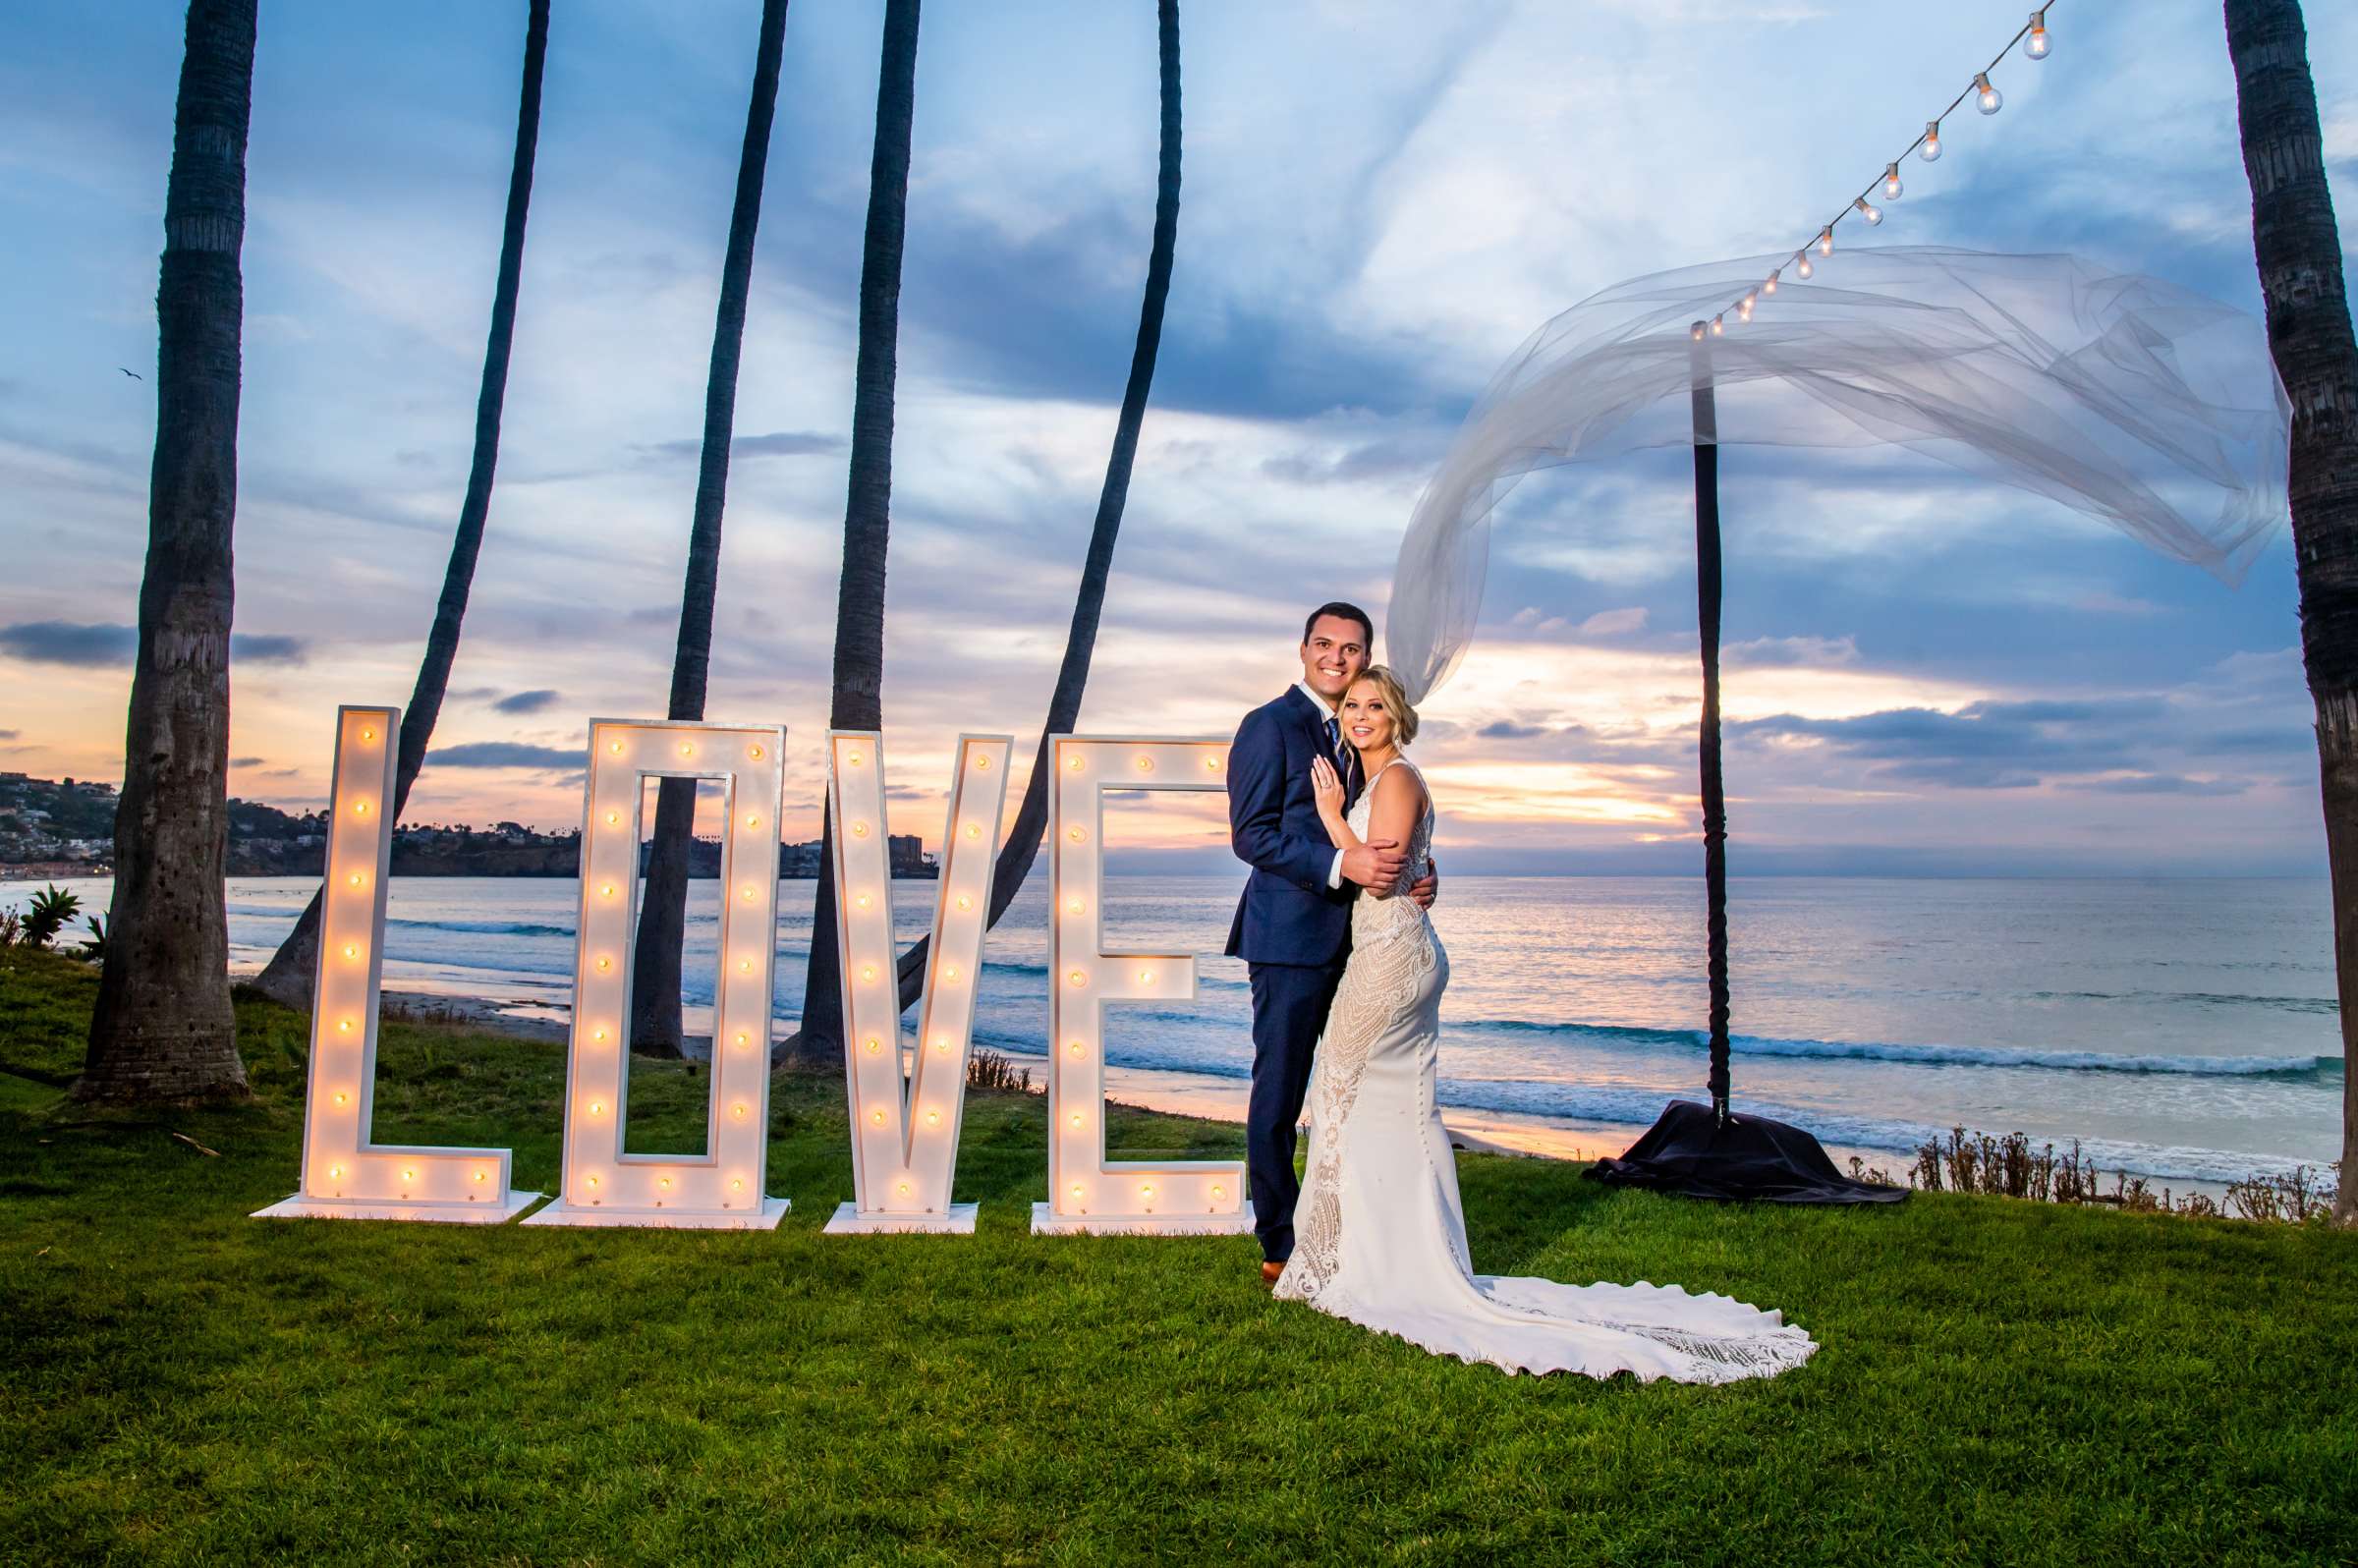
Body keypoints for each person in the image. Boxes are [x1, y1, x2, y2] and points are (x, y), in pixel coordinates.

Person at [1270, 664, 1819, 1383]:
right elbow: (1411, 871)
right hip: (1394, 950)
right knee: (1379, 1107)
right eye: (1350, 705)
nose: (1359, 714)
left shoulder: (1396, 778)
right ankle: (1380, 1256)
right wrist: (1402, 860)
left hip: (1391, 959)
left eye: (1374, 705)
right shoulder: (1388, 781)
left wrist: (1334, 813)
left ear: (1398, 717)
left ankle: (1346, 1262)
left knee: (1339, 1095)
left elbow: (1381, 870)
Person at [1225, 603, 1433, 1285]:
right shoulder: (1269, 726)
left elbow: (1388, 829)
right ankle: (1280, 1242)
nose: (1337, 659)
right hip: (1288, 940)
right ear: (1304, 648)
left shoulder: (1357, 733)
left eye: (1352, 649)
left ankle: (1354, 1226)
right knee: (1280, 1094)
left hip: (1362, 943)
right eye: (1326, 645)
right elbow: (1251, 834)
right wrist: (1345, 865)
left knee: (1353, 1095)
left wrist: (1415, 876)